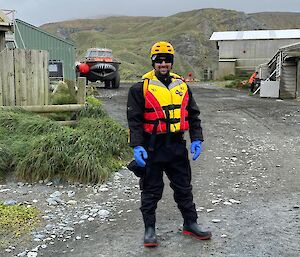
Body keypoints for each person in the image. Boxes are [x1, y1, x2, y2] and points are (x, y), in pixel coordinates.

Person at [126, 41, 212, 247]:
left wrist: (197, 138)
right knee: (151, 190)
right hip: (151, 148)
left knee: (184, 187)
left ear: (171, 62)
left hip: (176, 147)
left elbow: (193, 115)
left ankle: (190, 223)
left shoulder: (182, 86)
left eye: (167, 60)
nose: (163, 64)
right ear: (153, 62)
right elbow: (134, 121)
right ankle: (149, 229)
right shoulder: (140, 88)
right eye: (159, 60)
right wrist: (136, 146)